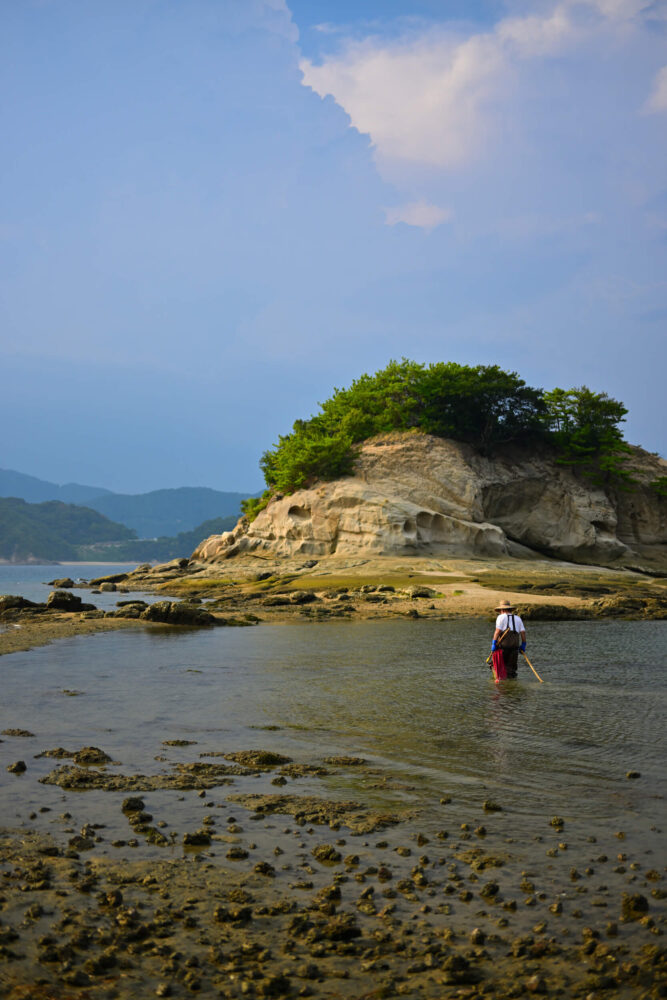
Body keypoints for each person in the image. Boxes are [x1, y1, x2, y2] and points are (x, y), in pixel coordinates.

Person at [491, 600, 526, 679]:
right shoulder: (518, 618)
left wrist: (494, 643)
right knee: (511, 669)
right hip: (515, 647)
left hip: (503, 647)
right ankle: (511, 684)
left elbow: (497, 632)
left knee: (499, 667)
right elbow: (523, 633)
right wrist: (523, 645)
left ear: (502, 610)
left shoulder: (501, 617)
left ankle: (500, 684)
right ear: (510, 609)